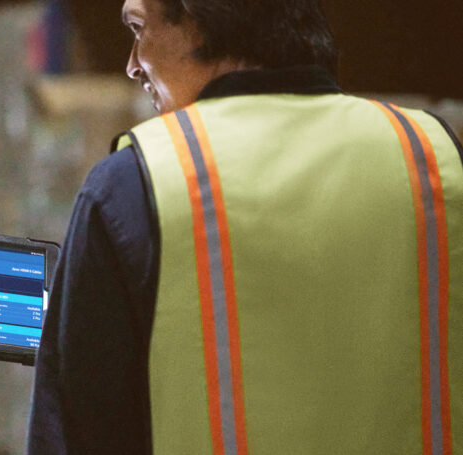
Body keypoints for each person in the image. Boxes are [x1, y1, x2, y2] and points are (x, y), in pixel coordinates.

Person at [28, 0, 463, 453]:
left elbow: (77, 430)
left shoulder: (138, 182)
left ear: (199, 20)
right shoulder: (431, 158)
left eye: (139, 29)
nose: (133, 65)